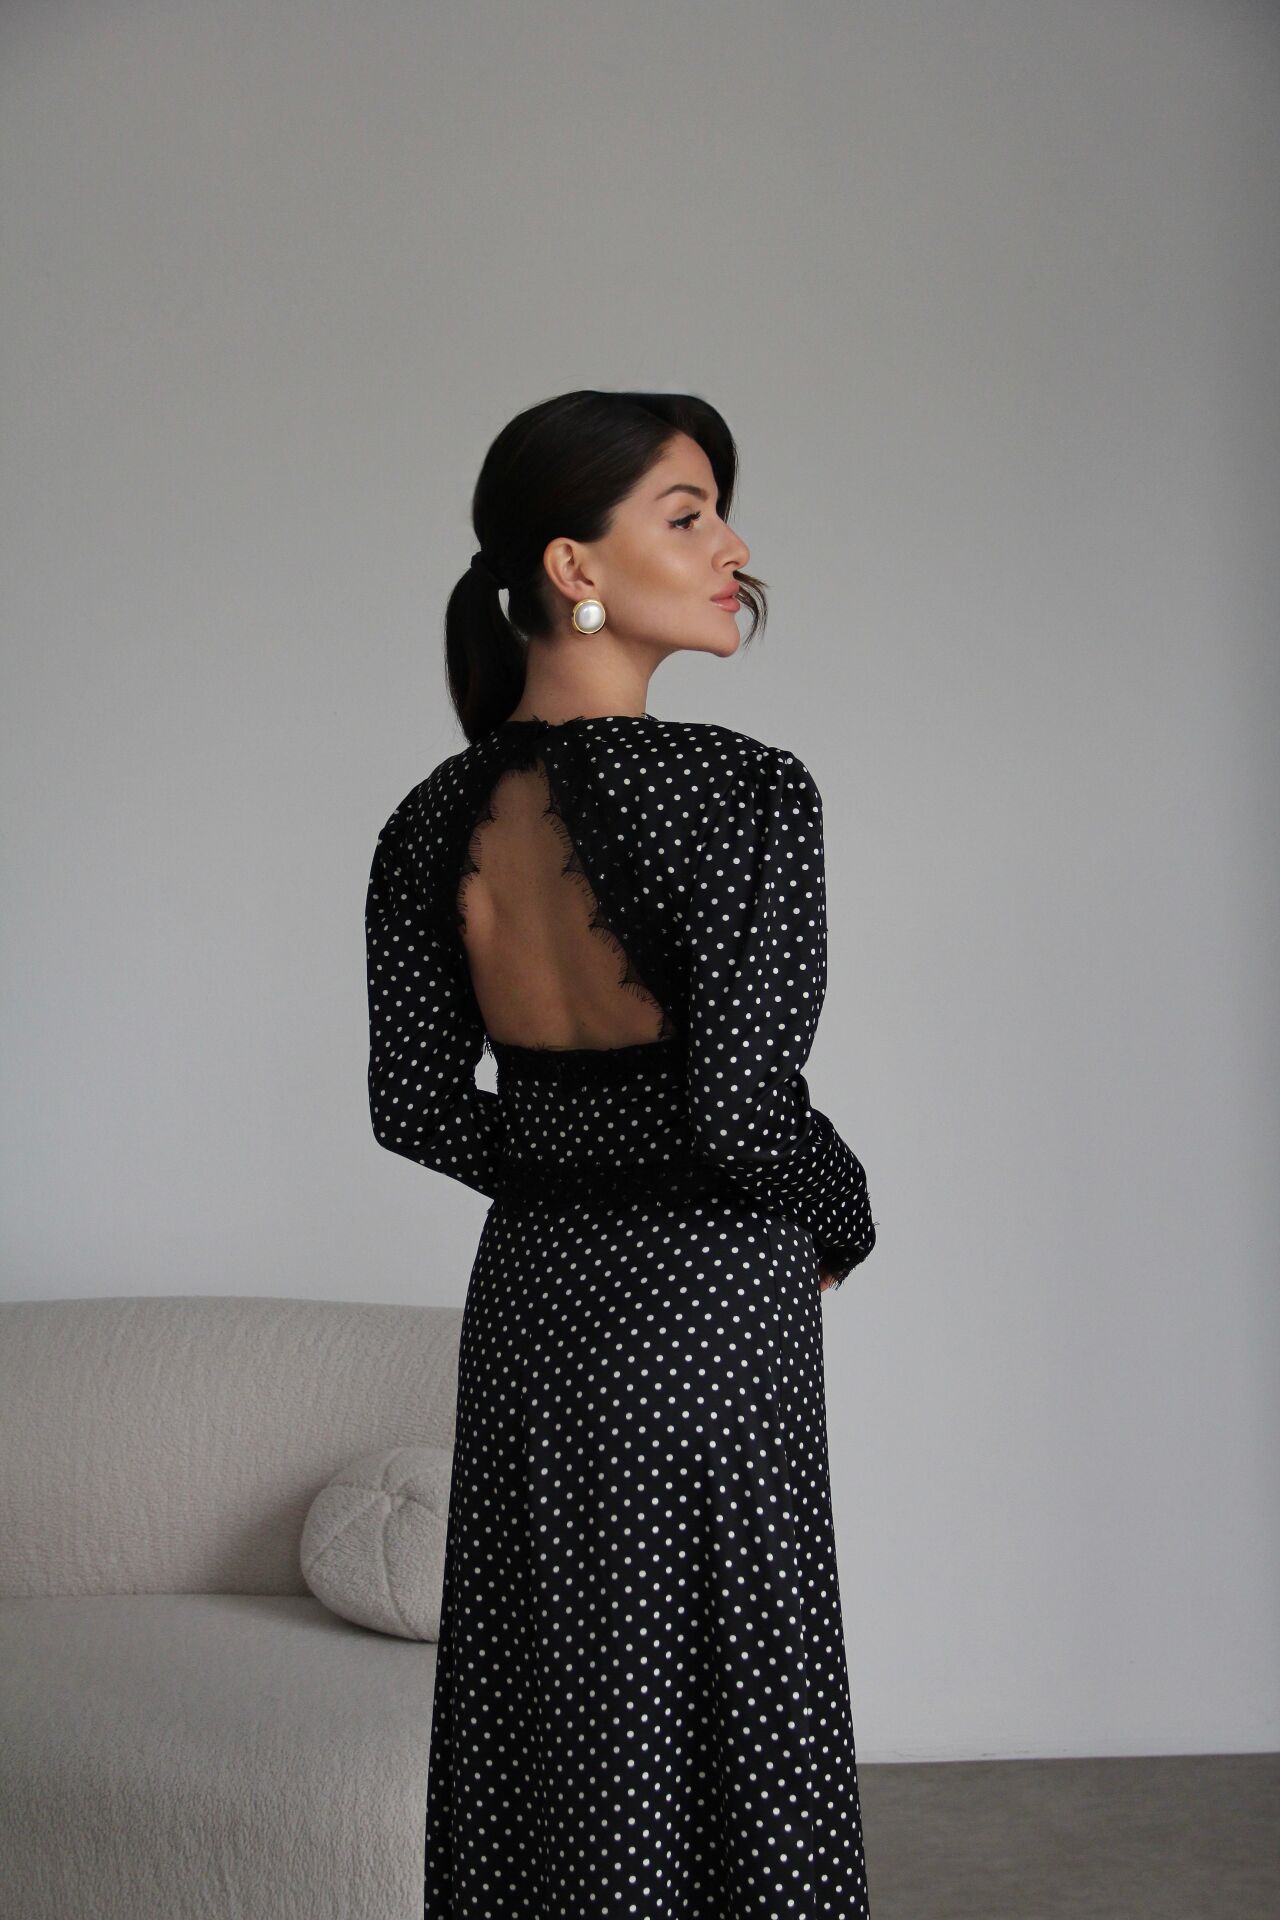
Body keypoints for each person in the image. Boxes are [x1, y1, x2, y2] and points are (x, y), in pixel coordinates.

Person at [365, 388, 879, 1918]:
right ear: (573, 564)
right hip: (710, 1301)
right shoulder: (747, 791)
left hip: (534, 1303)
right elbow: (738, 1105)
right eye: (689, 513)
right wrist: (842, 1212)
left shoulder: (427, 821)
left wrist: (564, 1162)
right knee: (738, 1700)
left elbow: (414, 1106)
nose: (734, 550)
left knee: (558, 1704)